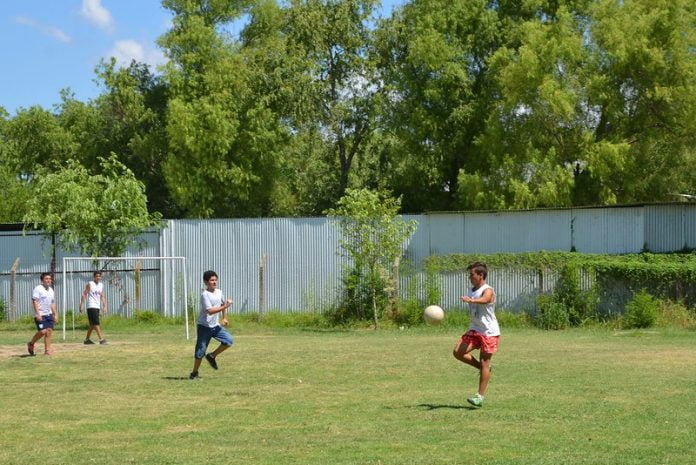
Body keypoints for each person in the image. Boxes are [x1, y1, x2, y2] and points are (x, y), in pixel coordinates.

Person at [453, 262, 500, 407]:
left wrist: (471, 300)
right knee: (458, 352)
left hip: (489, 332)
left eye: (472, 274)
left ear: (481, 275)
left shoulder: (488, 290)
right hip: (475, 329)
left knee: (486, 361)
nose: (469, 277)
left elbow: (486, 299)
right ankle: (482, 368)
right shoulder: (471, 289)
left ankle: (479, 396)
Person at [190, 270, 234, 380]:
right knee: (200, 351)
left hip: (215, 326)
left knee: (228, 341)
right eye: (211, 280)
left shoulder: (219, 292)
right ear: (206, 282)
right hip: (204, 327)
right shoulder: (205, 295)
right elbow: (210, 311)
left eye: (215, 280)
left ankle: (212, 356)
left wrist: (224, 317)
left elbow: (222, 304)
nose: (214, 282)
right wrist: (226, 306)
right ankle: (194, 373)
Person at [28, 272, 59, 356]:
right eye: (46, 279)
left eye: (49, 279)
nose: (48, 280)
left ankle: (47, 351)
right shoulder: (38, 289)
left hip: (48, 314)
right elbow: (35, 301)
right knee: (42, 331)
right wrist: (38, 314)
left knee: (49, 332)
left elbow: (52, 303)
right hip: (40, 314)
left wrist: (55, 314)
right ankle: (31, 343)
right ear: (42, 280)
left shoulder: (51, 290)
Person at [79, 271, 108, 345]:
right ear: (94, 277)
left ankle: (87, 340)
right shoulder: (90, 284)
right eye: (97, 276)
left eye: (99, 276)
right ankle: (101, 339)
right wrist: (81, 305)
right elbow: (85, 294)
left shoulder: (101, 285)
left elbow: (102, 296)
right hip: (91, 306)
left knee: (92, 325)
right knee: (96, 323)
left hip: (97, 306)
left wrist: (105, 306)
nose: (98, 277)